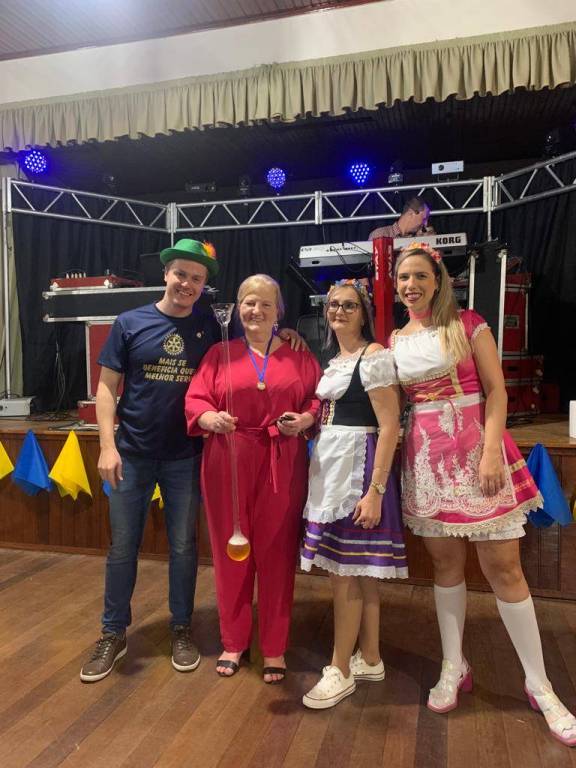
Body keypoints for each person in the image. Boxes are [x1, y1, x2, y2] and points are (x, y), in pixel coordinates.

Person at [391, 241, 576, 746]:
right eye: (403, 277)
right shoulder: (395, 340)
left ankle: (539, 684)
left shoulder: (468, 324)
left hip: (477, 452)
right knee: (445, 566)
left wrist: (491, 451)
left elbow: (496, 391)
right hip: (428, 460)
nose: (411, 285)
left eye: (420, 276)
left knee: (505, 569)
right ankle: (454, 665)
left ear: (438, 280)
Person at [80, 239, 221, 683]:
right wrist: (107, 445)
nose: (187, 284)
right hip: (132, 455)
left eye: (196, 278)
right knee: (123, 547)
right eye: (181, 274)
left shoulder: (210, 326)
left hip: (185, 456)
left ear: (203, 285)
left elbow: (256, 338)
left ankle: (181, 627)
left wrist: (289, 335)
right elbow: (107, 388)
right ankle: (112, 632)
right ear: (165, 274)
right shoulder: (130, 322)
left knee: (183, 547)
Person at [184, 274, 321, 684]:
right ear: (237, 308)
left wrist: (307, 418)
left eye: (265, 303)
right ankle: (234, 641)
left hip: (282, 459)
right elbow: (195, 399)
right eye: (248, 302)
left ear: (278, 312)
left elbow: (319, 398)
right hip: (227, 457)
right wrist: (209, 417)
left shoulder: (299, 356)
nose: (255, 310)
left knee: (277, 553)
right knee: (231, 550)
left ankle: (274, 646)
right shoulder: (219, 354)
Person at [301, 279, 408, 710]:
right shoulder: (336, 360)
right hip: (332, 467)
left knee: (345, 574)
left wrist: (376, 490)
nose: (339, 311)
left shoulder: (374, 355)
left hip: (358, 470)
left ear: (364, 313)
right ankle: (372, 658)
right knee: (360, 573)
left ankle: (340, 668)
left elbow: (390, 425)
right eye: (333, 305)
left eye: (349, 305)